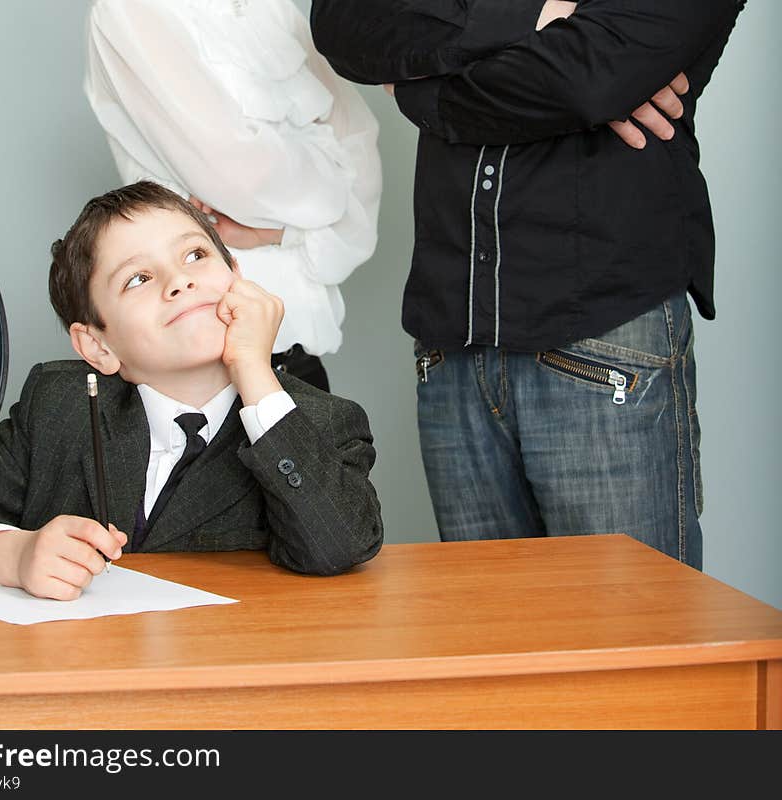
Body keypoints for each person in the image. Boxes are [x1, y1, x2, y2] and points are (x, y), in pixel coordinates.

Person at [310, 0, 748, 569]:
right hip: (455, 338)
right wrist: (535, 17)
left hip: (602, 333)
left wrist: (422, 90)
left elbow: (588, 81)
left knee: (633, 650)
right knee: (492, 647)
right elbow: (343, 21)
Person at [0, 182, 383, 599]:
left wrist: (254, 368)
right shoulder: (57, 405)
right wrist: (15, 554)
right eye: (139, 278)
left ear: (237, 277)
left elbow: (340, 543)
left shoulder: (318, 422)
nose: (180, 282)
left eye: (195, 255)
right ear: (97, 345)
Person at [83, 0, 382, 392]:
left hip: (297, 355)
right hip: (206, 368)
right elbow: (242, 173)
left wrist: (279, 231)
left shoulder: (270, 7)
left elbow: (361, 147)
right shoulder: (130, 11)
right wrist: (328, 177)